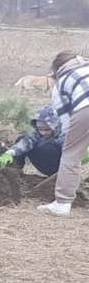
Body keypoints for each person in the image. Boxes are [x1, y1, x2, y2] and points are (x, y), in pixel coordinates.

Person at [38, 50, 89, 217]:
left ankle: (62, 203)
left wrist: (75, 145)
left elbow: (67, 122)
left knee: (70, 155)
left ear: (57, 68)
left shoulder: (62, 83)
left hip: (85, 107)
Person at [0, 105, 63, 176]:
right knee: (21, 138)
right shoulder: (37, 134)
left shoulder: (65, 135)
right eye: (40, 129)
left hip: (60, 169)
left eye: (47, 129)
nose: (43, 133)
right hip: (45, 164)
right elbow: (25, 142)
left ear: (55, 125)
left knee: (48, 148)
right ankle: (16, 173)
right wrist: (10, 153)